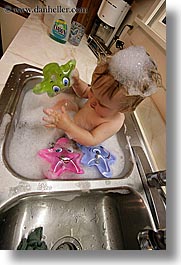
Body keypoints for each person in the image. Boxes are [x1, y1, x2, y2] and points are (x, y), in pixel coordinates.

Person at [43, 46, 162, 146]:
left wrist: (68, 127)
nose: (92, 100)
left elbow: (91, 139)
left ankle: (56, 126)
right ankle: (50, 119)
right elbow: (84, 92)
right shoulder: (102, 98)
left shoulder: (114, 122)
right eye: (93, 91)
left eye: (102, 104)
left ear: (124, 109)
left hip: (75, 142)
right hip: (69, 124)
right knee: (65, 103)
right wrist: (77, 82)